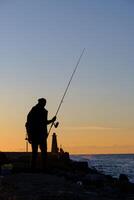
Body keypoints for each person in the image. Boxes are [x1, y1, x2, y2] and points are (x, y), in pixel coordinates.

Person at [25, 98, 56, 170]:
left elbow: (28, 123)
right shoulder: (41, 111)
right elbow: (44, 123)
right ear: (41, 103)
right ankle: (43, 168)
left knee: (35, 152)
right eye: (44, 103)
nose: (45, 104)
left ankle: (33, 168)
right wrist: (52, 120)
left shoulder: (34, 110)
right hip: (39, 135)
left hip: (36, 135)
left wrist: (52, 120)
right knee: (43, 152)